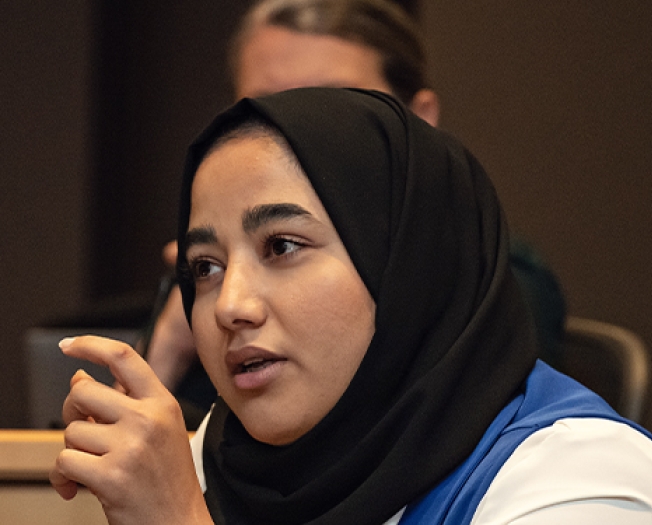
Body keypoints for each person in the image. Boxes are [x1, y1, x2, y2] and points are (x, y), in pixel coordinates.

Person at [52, 88, 652, 524]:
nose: (231, 304)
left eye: (281, 245)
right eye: (206, 267)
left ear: (405, 263)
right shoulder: (213, 459)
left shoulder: (584, 478)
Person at [146, 0, 567, 427]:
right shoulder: (224, 292)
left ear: (420, 118)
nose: (298, 131)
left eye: (336, 104)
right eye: (268, 108)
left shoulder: (494, 277)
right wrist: (171, 345)